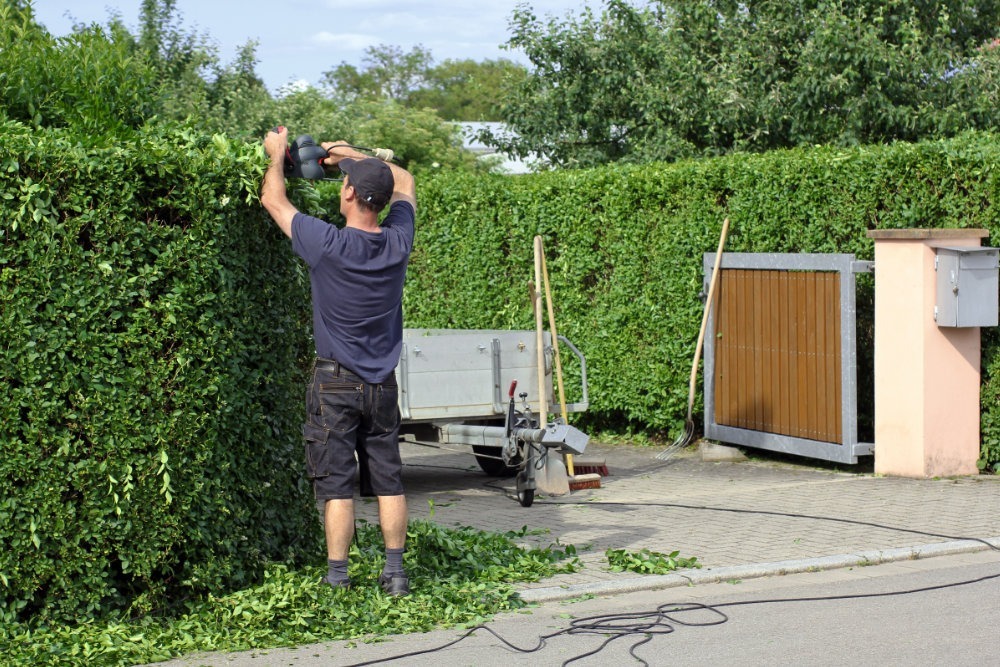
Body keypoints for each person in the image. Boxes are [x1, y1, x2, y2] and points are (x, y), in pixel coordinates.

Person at [261, 127, 417, 596]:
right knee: (389, 480)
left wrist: (275, 156)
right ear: (381, 202)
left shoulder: (325, 243)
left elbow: (273, 198)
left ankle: (338, 579)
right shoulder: (397, 242)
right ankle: (395, 575)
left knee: (336, 485)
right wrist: (350, 157)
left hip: (334, 383)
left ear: (348, 194)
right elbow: (404, 180)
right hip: (382, 384)